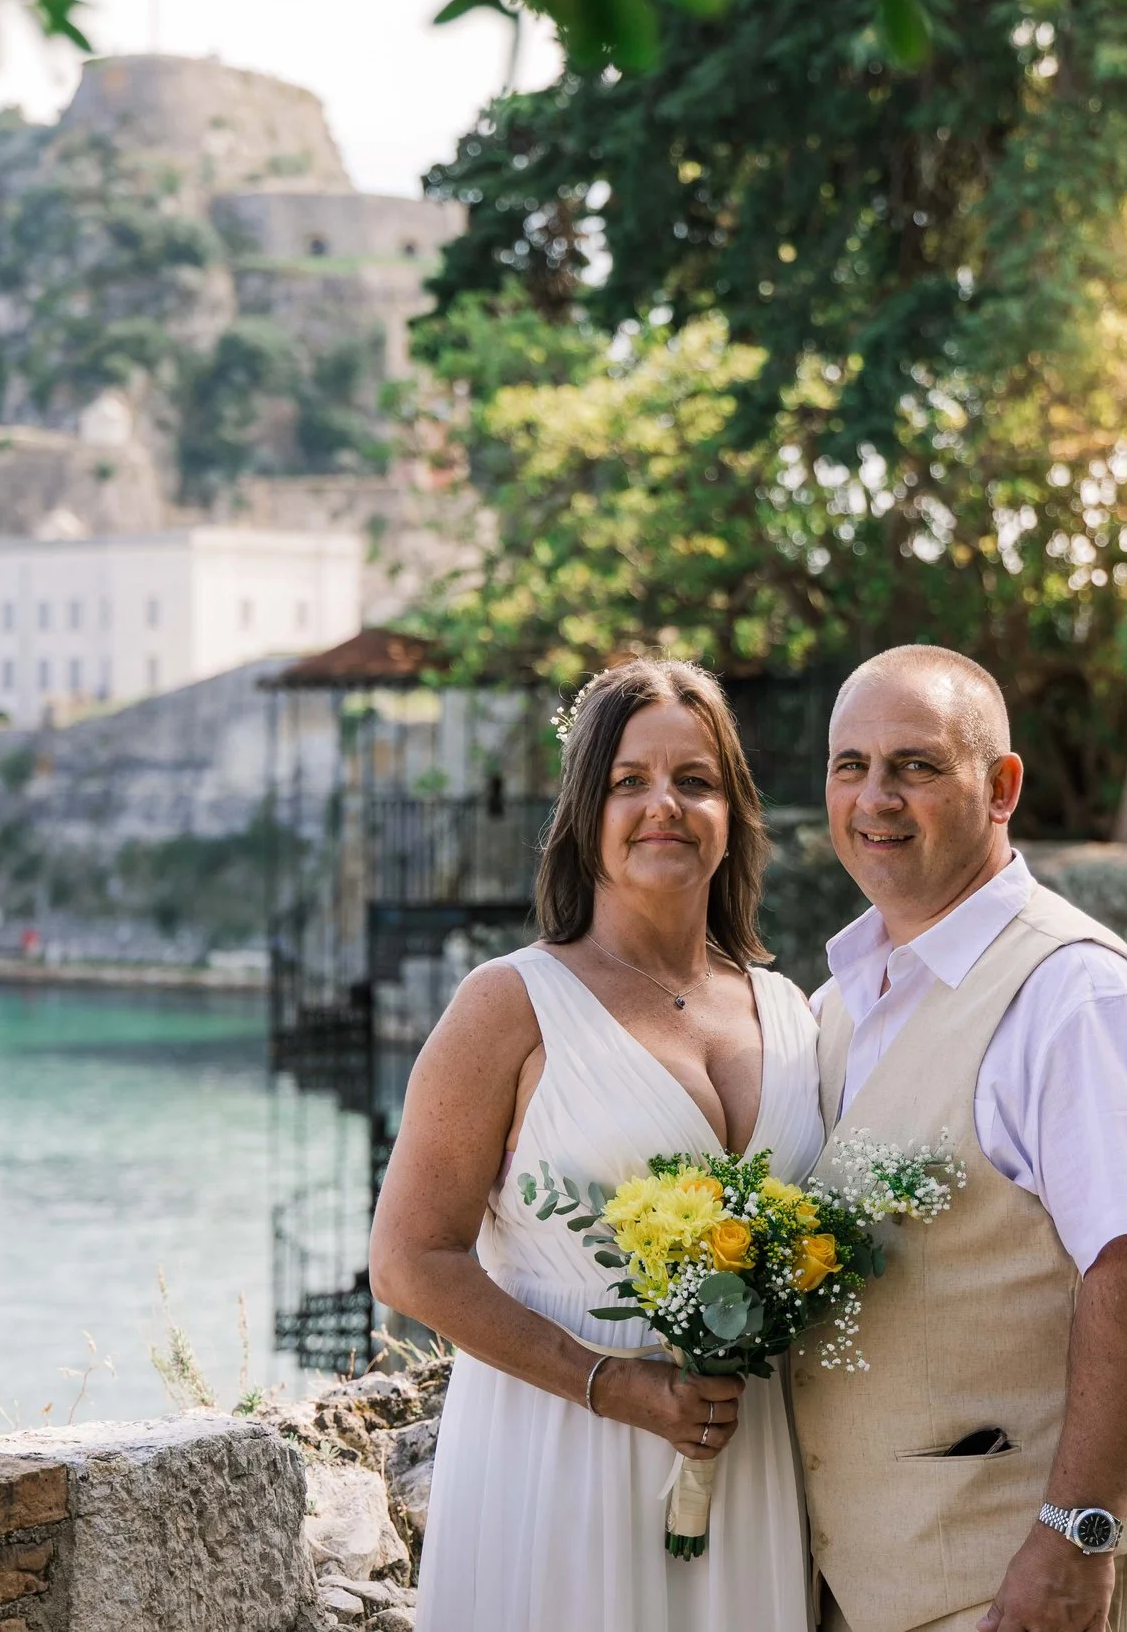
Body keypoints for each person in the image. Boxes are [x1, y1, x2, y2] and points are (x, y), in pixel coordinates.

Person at [371, 657, 823, 1632]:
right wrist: (613, 1384)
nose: (662, 803)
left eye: (694, 779)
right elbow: (409, 1259)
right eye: (628, 781)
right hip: (556, 1457)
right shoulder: (510, 1004)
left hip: (745, 1459)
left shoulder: (793, 1012)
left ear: (733, 811)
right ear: (585, 816)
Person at [794, 645, 1127, 1632]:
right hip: (880, 1579)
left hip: (1027, 1582)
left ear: (1001, 784)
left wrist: (1073, 1537)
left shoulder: (1076, 994)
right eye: (852, 765)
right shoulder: (835, 1005)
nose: (875, 796)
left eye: (916, 765)